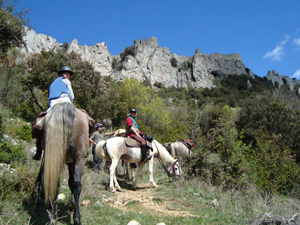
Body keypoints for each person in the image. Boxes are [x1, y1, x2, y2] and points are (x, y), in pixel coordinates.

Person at [32, 66, 75, 160]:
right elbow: (71, 95)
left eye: (68, 74)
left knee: (40, 123)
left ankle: (39, 151)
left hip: (52, 105)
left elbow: (50, 97)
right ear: (62, 75)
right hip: (66, 102)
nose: (67, 76)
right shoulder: (66, 81)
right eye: (66, 74)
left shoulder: (52, 83)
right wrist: (71, 101)